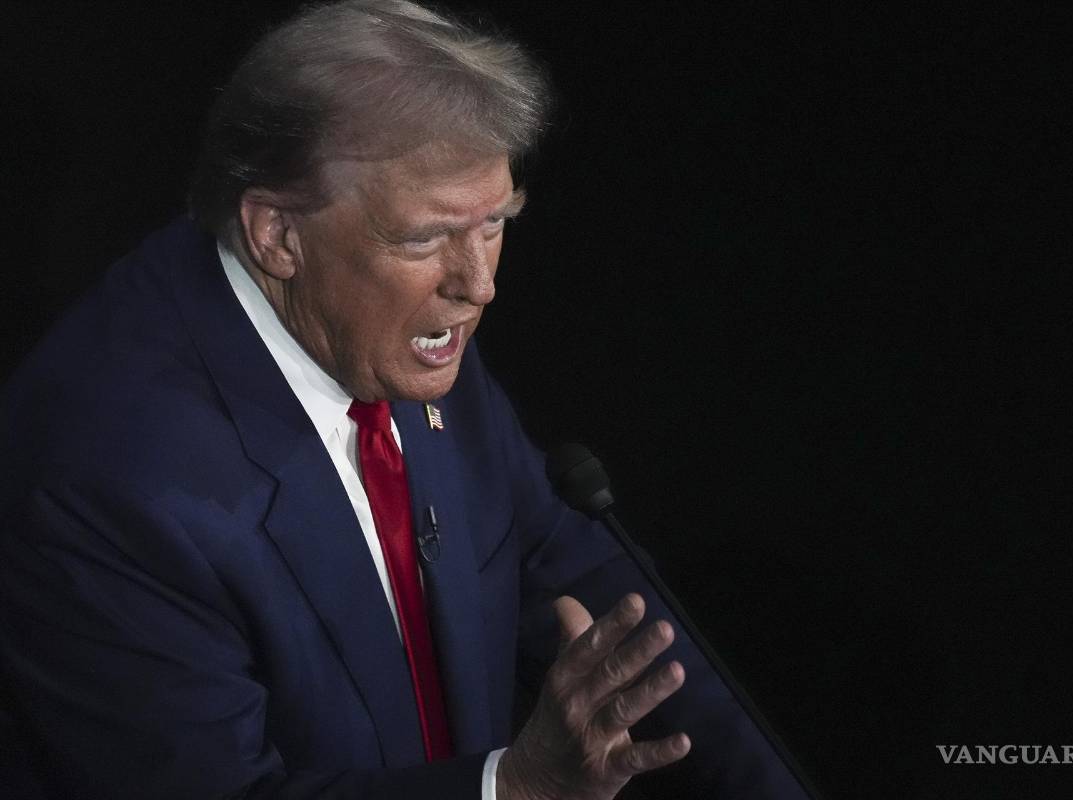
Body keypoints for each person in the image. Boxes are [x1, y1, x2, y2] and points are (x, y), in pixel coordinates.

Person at [0, 2, 808, 798]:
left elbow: (560, 556)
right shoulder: (106, 485)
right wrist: (516, 789)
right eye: (424, 239)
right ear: (277, 235)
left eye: (495, 223)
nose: (478, 285)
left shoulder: (392, 324)